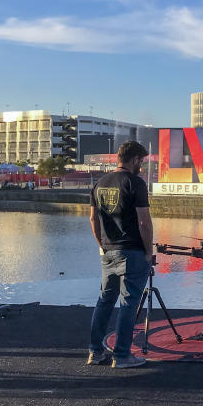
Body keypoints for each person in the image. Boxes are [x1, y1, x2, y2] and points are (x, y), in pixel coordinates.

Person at [87, 141, 152, 369]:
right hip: (132, 251)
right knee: (128, 304)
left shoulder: (100, 183)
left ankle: (95, 353)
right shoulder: (135, 183)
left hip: (108, 251)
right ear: (134, 159)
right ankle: (122, 356)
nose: (141, 166)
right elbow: (144, 221)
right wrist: (149, 251)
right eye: (141, 161)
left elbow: (93, 219)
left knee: (104, 301)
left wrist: (102, 245)